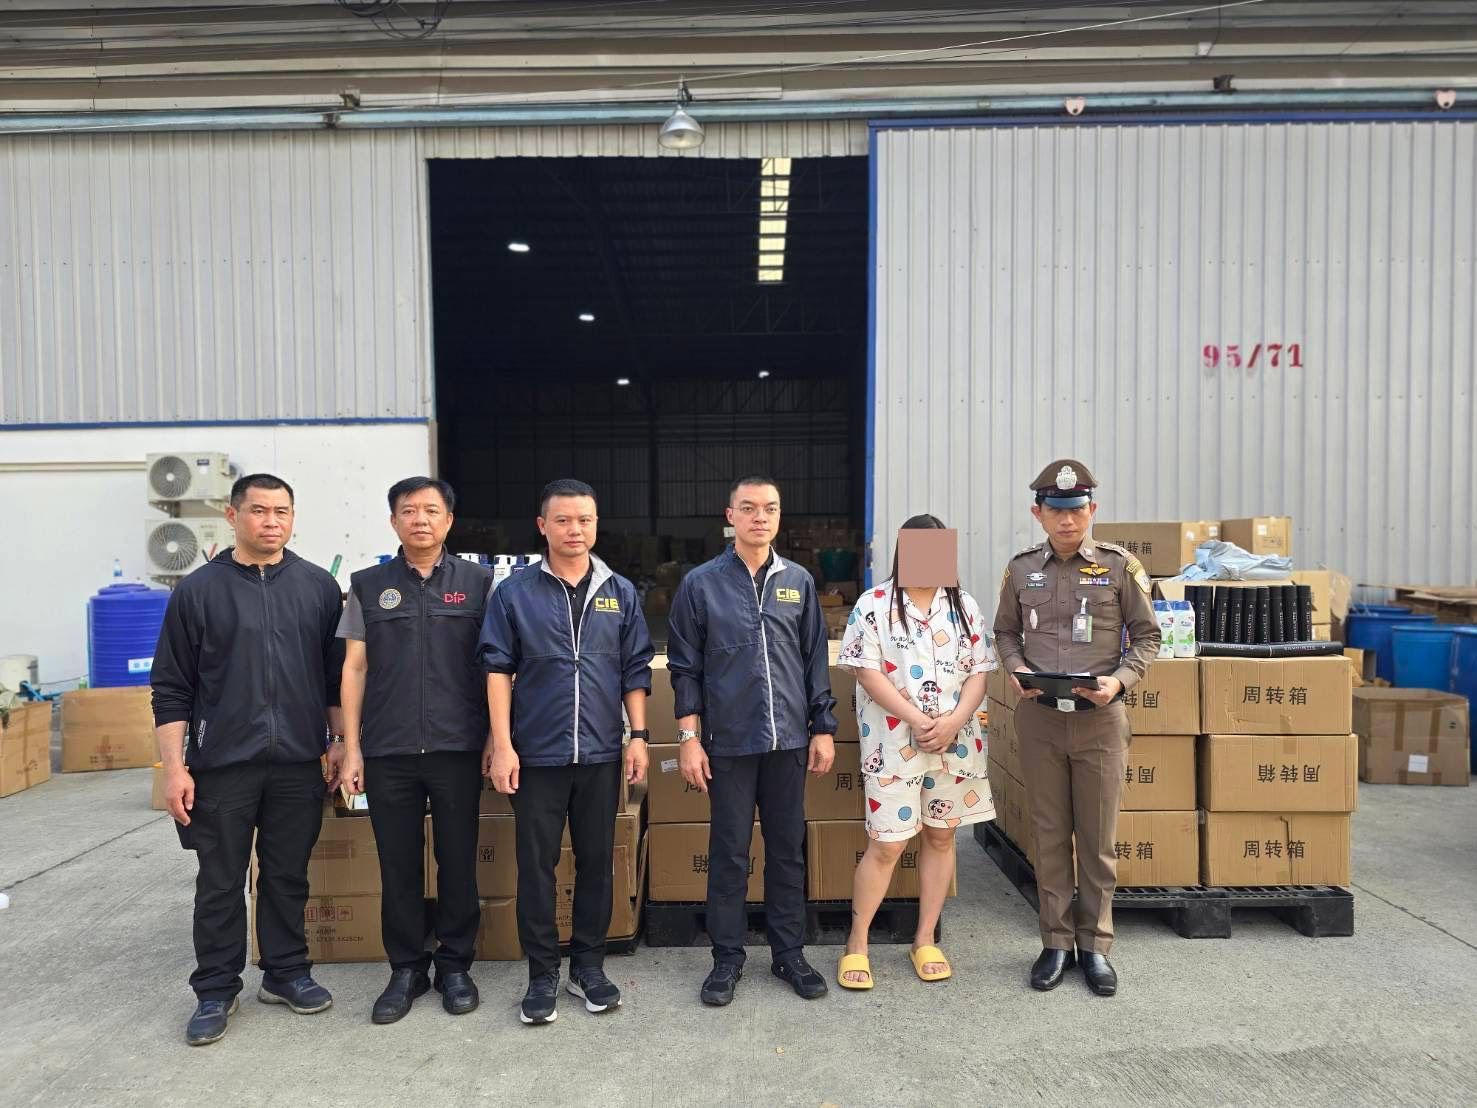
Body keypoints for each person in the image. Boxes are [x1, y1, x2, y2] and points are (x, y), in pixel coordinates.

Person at [151, 473, 346, 1046]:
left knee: (287, 874)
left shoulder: (317, 587)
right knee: (219, 881)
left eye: (282, 511)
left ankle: (285, 973)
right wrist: (174, 768)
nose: (271, 521)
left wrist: (337, 741)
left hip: (297, 762)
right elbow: (171, 688)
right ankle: (216, 988)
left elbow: (334, 678)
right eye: (259, 510)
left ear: (293, 518)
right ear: (233, 516)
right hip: (222, 764)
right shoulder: (197, 592)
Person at [478, 479, 654, 1026]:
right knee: (537, 866)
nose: (574, 530)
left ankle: (588, 967)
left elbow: (635, 669)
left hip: (601, 753)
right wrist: (503, 744)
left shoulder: (620, 591)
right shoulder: (514, 593)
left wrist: (639, 736)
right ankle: (542, 974)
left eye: (584, 520)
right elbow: (497, 669)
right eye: (563, 520)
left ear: (596, 524)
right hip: (536, 755)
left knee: (598, 862)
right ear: (543, 526)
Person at [992, 459, 1160, 997]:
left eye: (1077, 510)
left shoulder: (1119, 567)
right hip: (1040, 719)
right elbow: (1005, 631)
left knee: (1097, 839)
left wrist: (1120, 682)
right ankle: (1055, 942)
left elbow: (1148, 636)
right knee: (1048, 836)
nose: (1068, 521)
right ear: (1038, 513)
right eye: (1057, 511)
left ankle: (1096, 946)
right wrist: (1015, 668)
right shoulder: (1021, 570)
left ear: (1092, 510)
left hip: (1100, 722)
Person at [667, 476, 837, 1007]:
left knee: (787, 850)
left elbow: (814, 658)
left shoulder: (798, 581)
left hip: (789, 741)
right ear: (731, 516)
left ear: (779, 516)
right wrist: (689, 737)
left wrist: (823, 727)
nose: (760, 517)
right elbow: (684, 666)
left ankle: (789, 953)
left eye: (770, 509)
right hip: (729, 742)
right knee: (729, 851)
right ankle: (727, 958)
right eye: (748, 508)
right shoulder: (701, 584)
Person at [337, 477, 493, 1024]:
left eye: (431, 510)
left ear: (449, 520)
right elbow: (354, 668)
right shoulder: (368, 585)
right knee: (397, 863)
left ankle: (455, 965)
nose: (420, 520)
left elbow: (497, 667)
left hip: (457, 745)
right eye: (408, 511)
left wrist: (495, 738)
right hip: (388, 749)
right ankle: (405, 968)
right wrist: (351, 747)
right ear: (393, 522)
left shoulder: (480, 583)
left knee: (458, 860)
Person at [834, 515, 996, 990]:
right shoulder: (874, 605)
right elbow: (867, 671)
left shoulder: (964, 605)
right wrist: (919, 719)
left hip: (955, 744)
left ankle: (925, 938)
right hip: (893, 745)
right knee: (887, 844)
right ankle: (857, 943)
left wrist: (954, 721)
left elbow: (980, 672)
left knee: (942, 839)